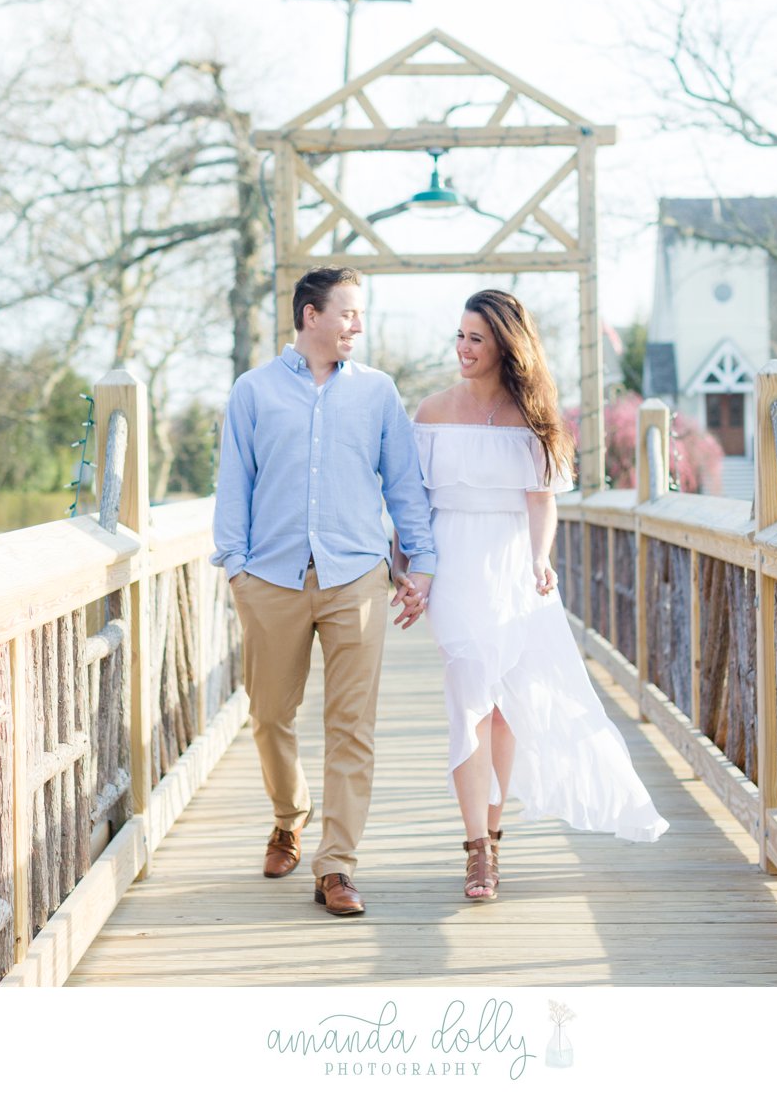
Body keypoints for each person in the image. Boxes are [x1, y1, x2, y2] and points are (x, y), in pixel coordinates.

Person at [407, 288, 668, 901]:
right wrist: (410, 568)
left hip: (511, 564)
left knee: (502, 708)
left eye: (476, 338)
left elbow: (540, 500)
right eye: (461, 336)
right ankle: (475, 850)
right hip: (453, 560)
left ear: (503, 345)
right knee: (470, 694)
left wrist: (540, 556)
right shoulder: (429, 411)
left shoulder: (534, 418)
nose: (463, 348)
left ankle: (492, 839)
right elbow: (413, 502)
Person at [212, 265, 435, 917]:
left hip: (356, 577)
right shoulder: (253, 392)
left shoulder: (377, 393)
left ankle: (336, 864)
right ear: (309, 315)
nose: (356, 325)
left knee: (351, 726)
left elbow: (403, 485)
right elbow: (235, 484)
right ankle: (289, 815)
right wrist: (236, 568)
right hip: (271, 578)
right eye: (346, 312)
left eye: (359, 314)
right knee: (270, 715)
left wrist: (419, 563)